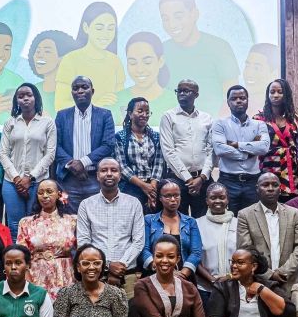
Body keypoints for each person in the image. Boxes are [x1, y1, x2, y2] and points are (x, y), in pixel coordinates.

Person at [158, 0, 240, 117]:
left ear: (195, 14)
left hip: (212, 129)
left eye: (178, 16)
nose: (172, 25)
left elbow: (235, 97)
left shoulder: (219, 47)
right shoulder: (161, 50)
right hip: (172, 129)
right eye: (165, 19)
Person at [76, 159, 144, 297]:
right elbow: (83, 242)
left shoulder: (134, 203)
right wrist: (107, 265)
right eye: (104, 170)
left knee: (129, 316)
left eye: (113, 170)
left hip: (127, 274)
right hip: (95, 274)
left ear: (120, 175)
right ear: (97, 175)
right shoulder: (86, 205)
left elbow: (138, 241)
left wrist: (119, 267)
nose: (109, 174)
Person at [0, 85, 58, 233]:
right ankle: (17, 256)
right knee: (14, 225)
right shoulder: (10, 123)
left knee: (37, 224)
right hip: (12, 183)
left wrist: (30, 178)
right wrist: (17, 178)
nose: (25, 99)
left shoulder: (48, 122)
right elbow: (3, 154)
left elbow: (50, 154)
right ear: (16, 101)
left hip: (38, 183)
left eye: (29, 95)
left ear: (36, 98)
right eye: (21, 96)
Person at [56, 76, 117, 212]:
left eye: (84, 87)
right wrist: (73, 166)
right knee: (69, 222)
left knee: (96, 219)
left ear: (92, 91)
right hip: (69, 179)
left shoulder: (105, 115)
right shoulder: (62, 115)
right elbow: (56, 146)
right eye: (75, 88)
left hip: (95, 178)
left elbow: (108, 145)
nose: (80, 91)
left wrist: (82, 163)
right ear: (72, 93)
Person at [236, 173, 298, 287]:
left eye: (275, 185)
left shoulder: (294, 213)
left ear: (280, 189)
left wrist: (284, 271)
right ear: (257, 189)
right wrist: (269, 274)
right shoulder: (245, 215)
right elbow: (246, 249)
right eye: (265, 185)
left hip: (289, 282)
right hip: (258, 282)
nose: (270, 189)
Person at [16, 178, 78, 301]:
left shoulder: (72, 221)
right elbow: (21, 256)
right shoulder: (26, 222)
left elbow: (82, 252)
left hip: (65, 275)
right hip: (36, 276)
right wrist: (26, 279)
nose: (45, 196)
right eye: (41, 192)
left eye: (49, 191)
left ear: (59, 194)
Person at [159, 79, 214, 218]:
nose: (181, 93)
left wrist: (202, 178)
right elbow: (168, 151)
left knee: (203, 220)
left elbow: (211, 150)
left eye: (186, 90)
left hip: (203, 179)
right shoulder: (168, 116)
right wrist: (189, 180)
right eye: (179, 90)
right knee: (178, 221)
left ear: (196, 95)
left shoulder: (207, 118)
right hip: (178, 179)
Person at [55, 2, 125, 110]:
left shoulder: (115, 61)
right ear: (86, 27)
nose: (106, 34)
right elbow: (59, 105)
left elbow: (121, 102)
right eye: (99, 28)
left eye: (111, 29)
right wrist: (95, 105)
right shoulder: (70, 60)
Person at [211, 86, 269, 213]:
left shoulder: (259, 124)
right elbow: (220, 149)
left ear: (247, 100)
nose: (238, 101)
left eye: (242, 98)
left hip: (253, 182)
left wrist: (236, 144)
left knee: (253, 222)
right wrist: (249, 152)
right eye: (234, 98)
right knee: (228, 221)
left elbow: (264, 147)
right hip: (228, 181)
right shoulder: (220, 124)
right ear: (228, 102)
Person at [141, 180, 203, 279]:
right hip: (153, 275)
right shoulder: (149, 220)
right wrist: (164, 271)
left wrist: (181, 275)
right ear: (160, 197)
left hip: (183, 277)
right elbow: (144, 249)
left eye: (176, 195)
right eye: (168, 196)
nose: (173, 199)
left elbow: (196, 253)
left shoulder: (190, 222)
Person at [115, 97, 165, 212]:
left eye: (147, 112)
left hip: (153, 185)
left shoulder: (156, 136)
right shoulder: (120, 137)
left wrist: (151, 190)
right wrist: (143, 186)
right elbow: (122, 167)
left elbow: (158, 165)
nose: (144, 114)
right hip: (129, 186)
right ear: (130, 114)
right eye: (140, 111)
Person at [255, 79, 298, 199]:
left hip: (290, 171)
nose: (275, 95)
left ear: (286, 94)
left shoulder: (294, 119)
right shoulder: (258, 119)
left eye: (280, 92)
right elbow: (254, 145)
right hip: (267, 169)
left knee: (288, 207)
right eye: (272, 92)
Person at [112, 32, 176, 120]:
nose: (140, 70)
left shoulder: (175, 102)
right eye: (132, 63)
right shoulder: (114, 101)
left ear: (160, 61)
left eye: (147, 62)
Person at [196, 183, 238, 302]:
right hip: (205, 288)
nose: (218, 201)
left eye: (222, 197)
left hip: (234, 286)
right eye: (213, 198)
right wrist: (213, 281)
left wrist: (229, 277)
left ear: (228, 200)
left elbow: (245, 256)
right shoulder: (197, 224)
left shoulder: (238, 223)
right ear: (207, 201)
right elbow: (194, 257)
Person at [28, 30, 76, 111]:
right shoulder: (32, 90)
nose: (39, 55)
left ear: (62, 58)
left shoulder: (73, 92)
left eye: (47, 51)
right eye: (38, 51)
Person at [242, 44, 279, 115]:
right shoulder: (231, 105)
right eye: (247, 66)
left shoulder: (280, 109)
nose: (248, 74)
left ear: (274, 73)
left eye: (257, 69)